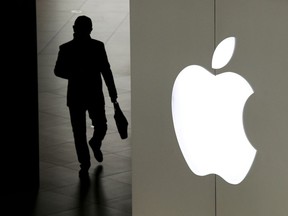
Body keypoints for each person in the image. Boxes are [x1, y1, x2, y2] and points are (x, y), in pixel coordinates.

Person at [54, 15, 118, 178]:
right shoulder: (97, 47)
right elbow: (106, 71)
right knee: (100, 125)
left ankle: (85, 161)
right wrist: (113, 94)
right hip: (94, 94)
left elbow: (58, 71)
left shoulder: (66, 48)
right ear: (90, 29)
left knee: (79, 131)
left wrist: (75, 73)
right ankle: (92, 148)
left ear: (75, 29)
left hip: (76, 95)